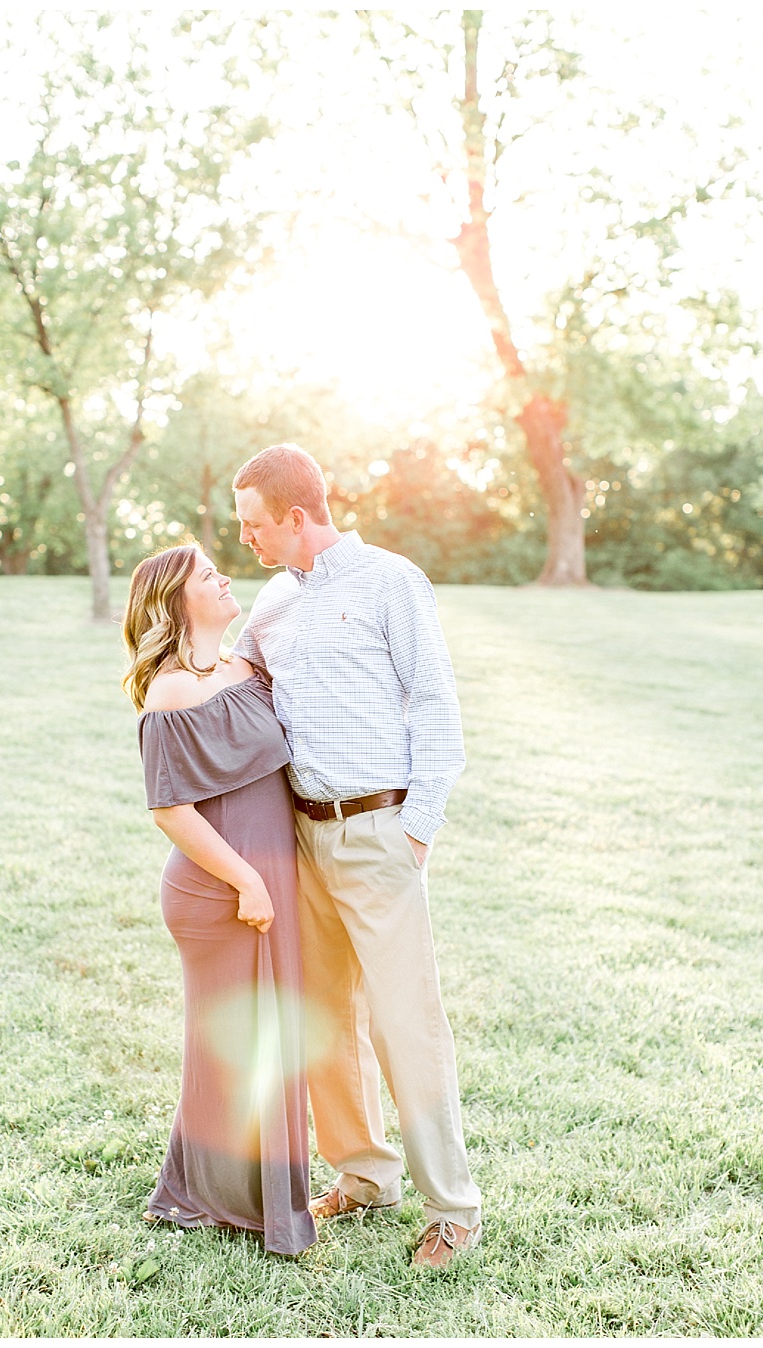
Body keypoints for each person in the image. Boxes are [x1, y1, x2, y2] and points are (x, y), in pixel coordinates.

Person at [229, 442, 483, 1270]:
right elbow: (236, 680)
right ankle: (365, 1175)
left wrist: (418, 830)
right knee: (326, 1017)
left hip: (379, 830)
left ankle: (454, 1209)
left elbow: (437, 704)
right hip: (301, 834)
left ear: (297, 517)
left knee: (407, 1023)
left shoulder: (391, 582)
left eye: (256, 525)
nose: (249, 540)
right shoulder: (270, 602)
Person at [122, 543, 316, 1257]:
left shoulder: (247, 668)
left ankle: (227, 1192)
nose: (225, 577)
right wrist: (247, 880)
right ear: (178, 600)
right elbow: (171, 810)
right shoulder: (171, 691)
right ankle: (206, 1195)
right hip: (220, 890)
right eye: (209, 574)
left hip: (270, 881)